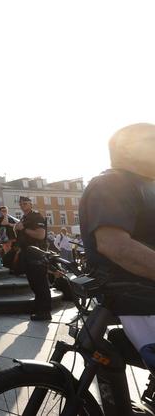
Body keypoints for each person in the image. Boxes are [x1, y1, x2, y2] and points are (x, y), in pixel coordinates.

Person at [80, 123, 155, 370]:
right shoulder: (114, 184)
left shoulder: (140, 186)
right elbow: (115, 246)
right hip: (141, 300)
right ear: (131, 149)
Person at [14, 196, 50, 321]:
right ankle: (39, 308)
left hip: (37, 254)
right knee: (34, 284)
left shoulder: (36, 216)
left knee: (41, 284)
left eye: (25, 203)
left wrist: (23, 229)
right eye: (21, 204)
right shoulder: (24, 218)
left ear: (31, 204)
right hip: (27, 254)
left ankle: (45, 312)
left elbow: (40, 235)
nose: (23, 205)